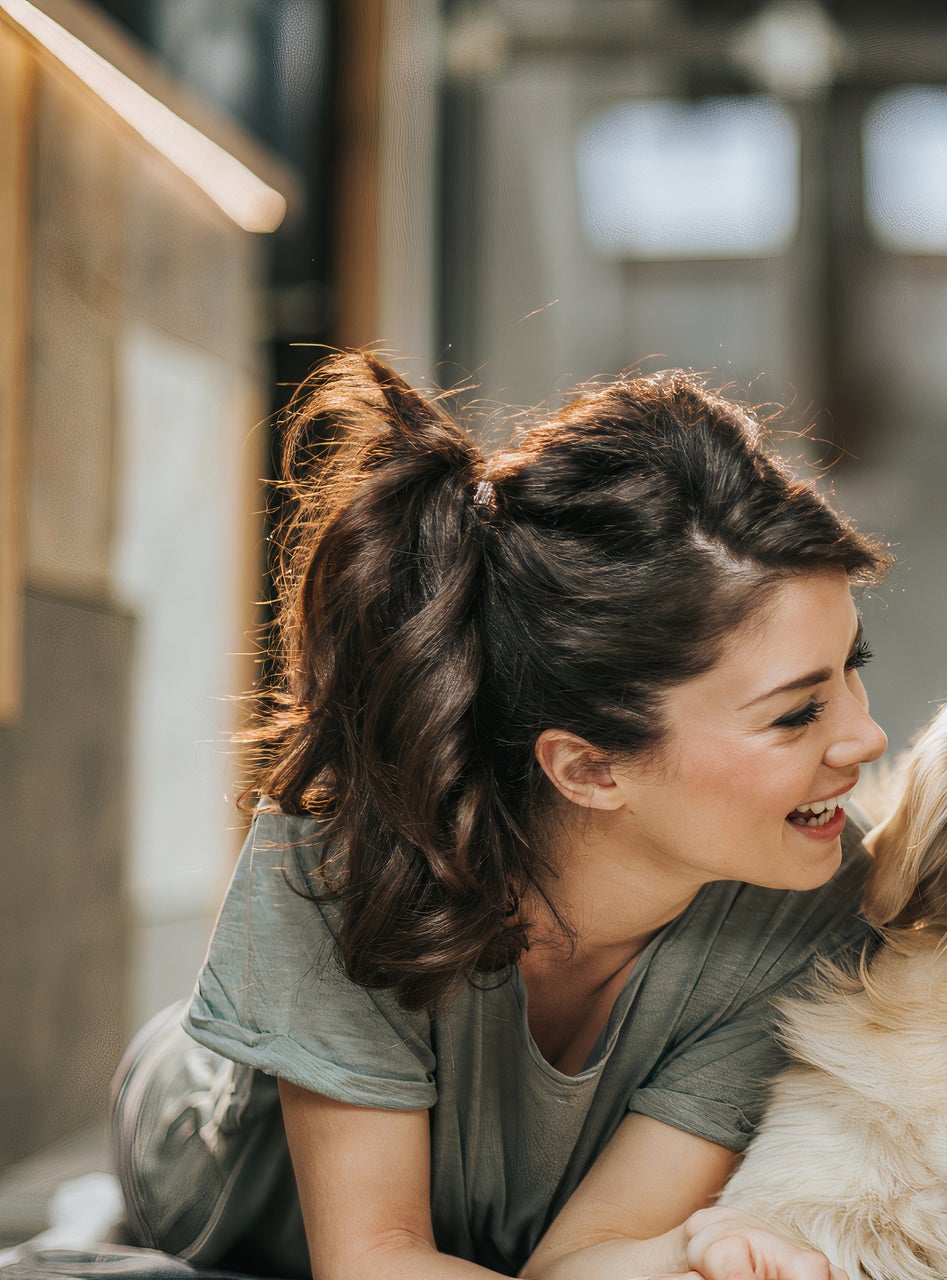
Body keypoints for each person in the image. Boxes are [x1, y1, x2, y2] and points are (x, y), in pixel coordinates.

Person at [109, 355, 887, 1280]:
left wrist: (696, 1256)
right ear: (591, 768)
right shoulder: (341, 860)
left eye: (854, 666)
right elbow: (375, 1263)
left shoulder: (822, 904)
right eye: (797, 712)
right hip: (201, 1157)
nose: (867, 737)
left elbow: (578, 1262)